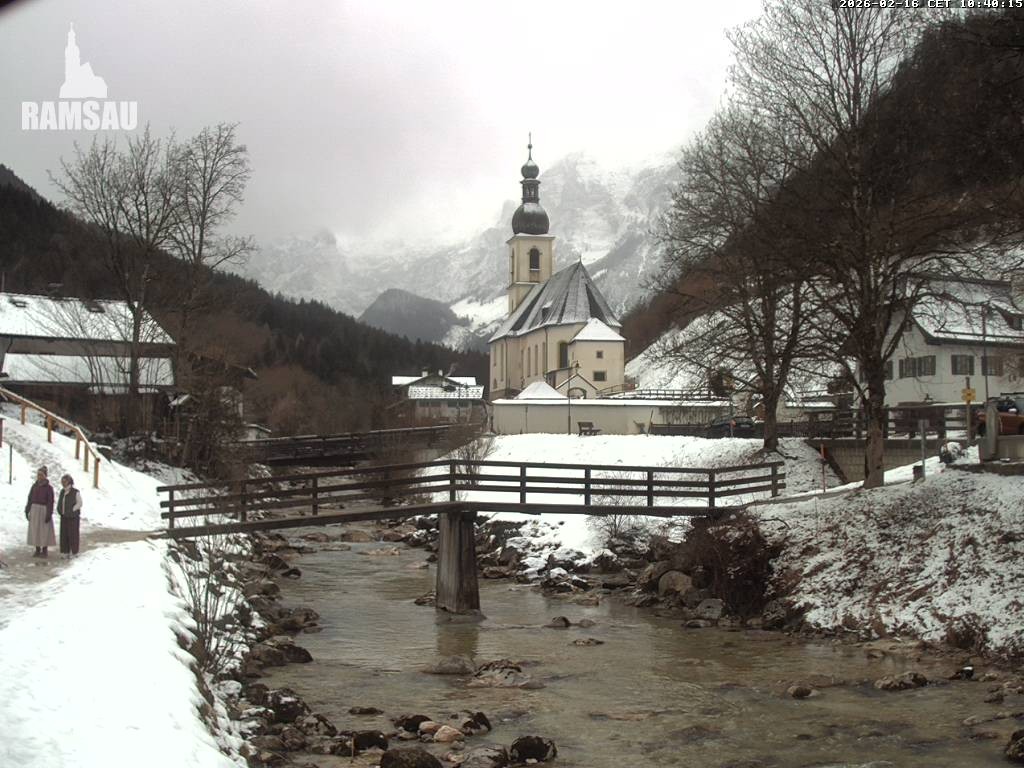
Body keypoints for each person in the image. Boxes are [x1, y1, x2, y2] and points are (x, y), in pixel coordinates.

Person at [25, 466, 55, 558]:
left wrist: (49, 513)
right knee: (36, 530)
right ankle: (37, 549)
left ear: (45, 476)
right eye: (38, 475)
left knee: (44, 531)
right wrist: (27, 509)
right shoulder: (34, 486)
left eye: (41, 475)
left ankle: (44, 550)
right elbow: (30, 498)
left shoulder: (49, 488)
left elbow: (50, 501)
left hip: (43, 510)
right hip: (34, 509)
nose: (39, 477)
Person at [57, 474, 82, 558]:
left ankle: (75, 552)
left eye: (65, 481)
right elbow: (60, 502)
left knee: (73, 534)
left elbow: (80, 503)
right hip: (64, 516)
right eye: (62, 481)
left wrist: (73, 509)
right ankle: (65, 552)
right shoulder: (62, 492)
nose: (63, 483)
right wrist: (59, 510)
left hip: (73, 517)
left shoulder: (75, 492)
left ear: (69, 482)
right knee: (64, 534)